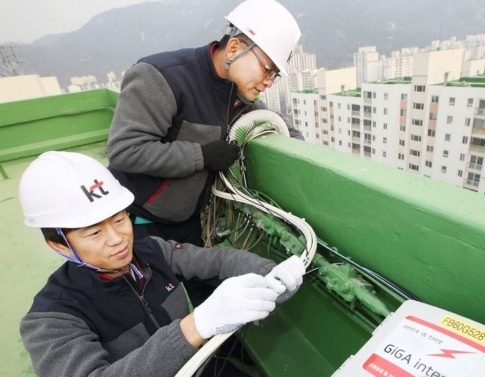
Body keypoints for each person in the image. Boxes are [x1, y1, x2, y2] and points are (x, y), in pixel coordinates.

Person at [18, 151, 305, 377]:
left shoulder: (152, 251)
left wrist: (269, 272)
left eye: (120, 219)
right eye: (94, 232)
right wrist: (197, 325)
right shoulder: (51, 320)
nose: (118, 239)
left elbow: (217, 260)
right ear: (57, 244)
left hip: (200, 367)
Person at [106, 0, 302, 255]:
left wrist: (298, 147)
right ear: (234, 48)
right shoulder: (161, 76)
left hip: (187, 222)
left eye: (274, 75)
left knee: (203, 289)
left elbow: (276, 124)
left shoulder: (238, 93)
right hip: (138, 223)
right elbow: (125, 151)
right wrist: (202, 156)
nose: (268, 82)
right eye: (267, 70)